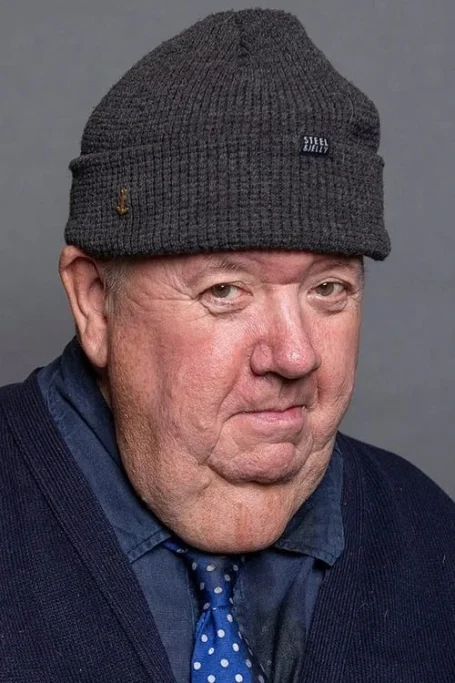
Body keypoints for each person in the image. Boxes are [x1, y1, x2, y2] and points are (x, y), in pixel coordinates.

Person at [1, 8, 454, 683]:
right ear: (95, 302)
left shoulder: (428, 539)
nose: (294, 355)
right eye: (224, 291)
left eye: (328, 288)